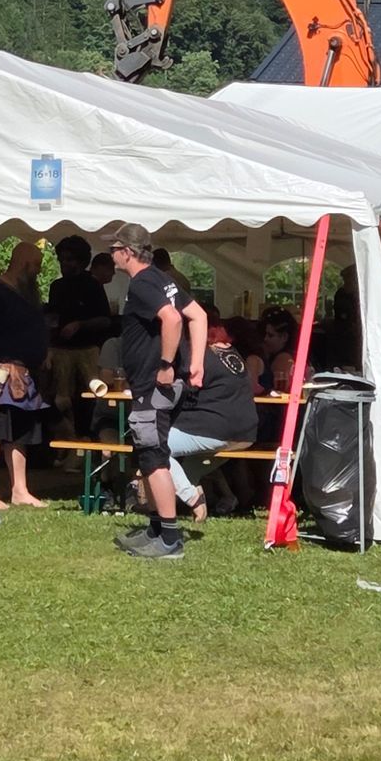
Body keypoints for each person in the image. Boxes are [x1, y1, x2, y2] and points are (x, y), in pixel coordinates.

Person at [111, 230, 206, 561]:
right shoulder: (162, 279)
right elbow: (199, 315)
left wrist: (166, 365)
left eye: (114, 248)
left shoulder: (142, 283)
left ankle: (169, 538)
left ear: (127, 251)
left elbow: (173, 318)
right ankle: (154, 529)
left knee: (153, 457)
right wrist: (195, 365)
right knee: (147, 454)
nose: (111, 253)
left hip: (153, 385)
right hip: (157, 386)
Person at [0, 238, 50, 509]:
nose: (38, 271)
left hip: (24, 376)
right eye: (36, 265)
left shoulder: (28, 295)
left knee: (19, 435)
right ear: (24, 263)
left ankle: (20, 490)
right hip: (0, 374)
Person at [165, 340, 258, 523]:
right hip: (245, 433)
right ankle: (181, 504)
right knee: (189, 468)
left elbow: (181, 390)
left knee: (155, 445)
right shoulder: (229, 350)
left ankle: (191, 497)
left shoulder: (195, 354)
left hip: (217, 431)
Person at [44, 235, 115, 425]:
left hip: (87, 351)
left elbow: (105, 320)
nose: (64, 264)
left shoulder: (92, 285)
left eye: (69, 259)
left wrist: (80, 325)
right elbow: (52, 317)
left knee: (90, 397)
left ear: (81, 261)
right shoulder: (56, 286)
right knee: (61, 400)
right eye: (61, 259)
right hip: (61, 350)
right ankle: (66, 435)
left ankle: (87, 434)